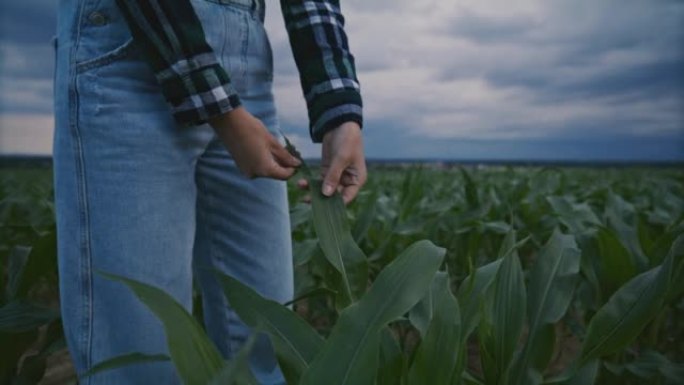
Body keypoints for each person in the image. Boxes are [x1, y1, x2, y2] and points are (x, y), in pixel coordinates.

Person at [53, 0, 366, 384]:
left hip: (247, 58)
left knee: (265, 345)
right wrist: (221, 112)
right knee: (143, 360)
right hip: (130, 45)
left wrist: (340, 110)